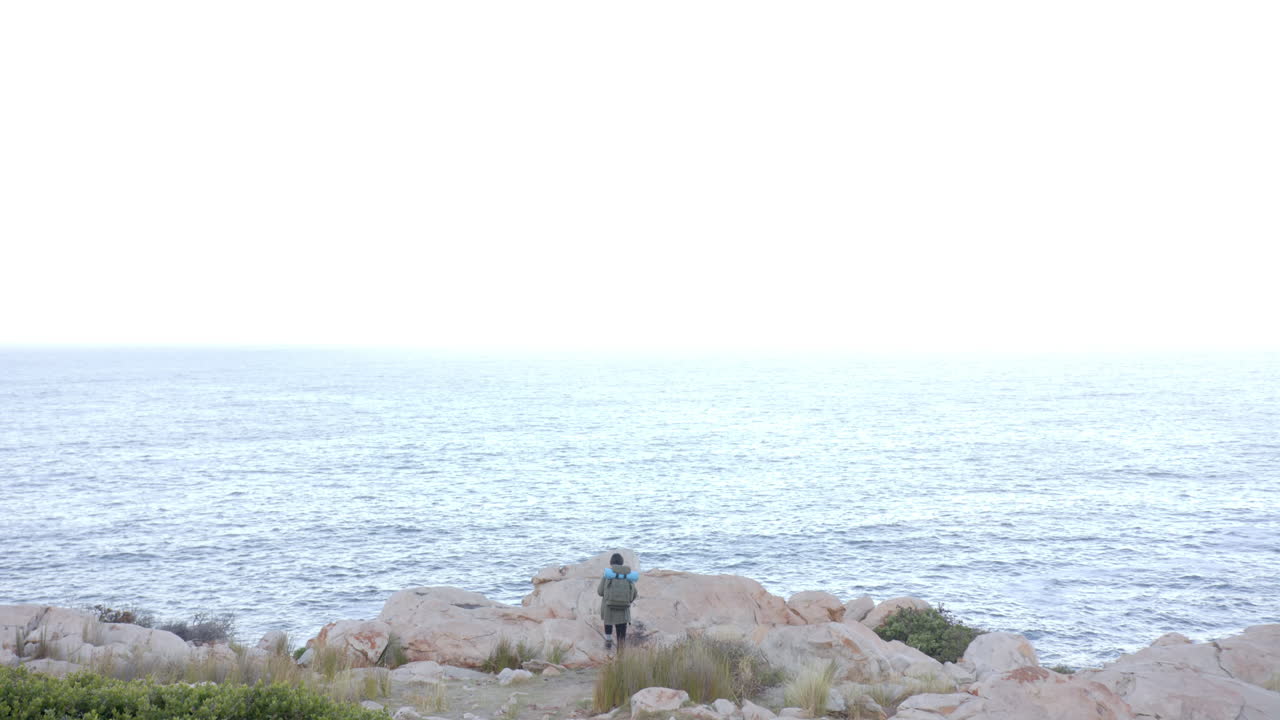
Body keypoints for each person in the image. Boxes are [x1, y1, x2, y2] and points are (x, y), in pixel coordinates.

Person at [597, 552, 638, 650]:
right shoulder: (628, 576)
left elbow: (600, 591)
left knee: (608, 621)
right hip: (623, 609)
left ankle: (608, 640)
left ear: (611, 563)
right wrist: (627, 600)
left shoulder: (608, 575)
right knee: (621, 629)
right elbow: (634, 593)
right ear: (622, 562)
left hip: (609, 608)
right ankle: (621, 650)